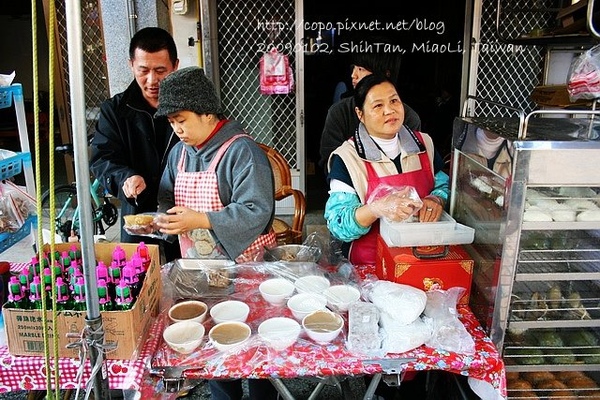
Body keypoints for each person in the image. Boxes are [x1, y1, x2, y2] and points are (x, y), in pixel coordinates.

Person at [153, 66, 278, 400]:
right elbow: (166, 198)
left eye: (182, 120)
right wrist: (163, 220)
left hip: (246, 268)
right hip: (200, 268)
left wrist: (199, 219)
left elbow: (257, 209)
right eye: (172, 122)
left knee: (254, 341)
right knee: (213, 340)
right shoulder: (179, 154)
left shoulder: (242, 151)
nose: (177, 129)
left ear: (207, 112)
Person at [324, 73, 450, 267]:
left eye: (394, 101)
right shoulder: (347, 158)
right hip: (371, 267)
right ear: (360, 114)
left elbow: (444, 185)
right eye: (378, 105)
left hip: (424, 258)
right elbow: (338, 224)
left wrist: (436, 199)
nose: (389, 110)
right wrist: (376, 208)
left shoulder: (425, 144)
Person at [90, 26, 181, 261]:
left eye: (160, 71)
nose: (152, 80)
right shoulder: (115, 111)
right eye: (143, 70)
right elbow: (103, 158)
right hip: (138, 218)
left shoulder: (191, 107)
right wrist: (125, 178)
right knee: (140, 276)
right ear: (131, 65)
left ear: (175, 66)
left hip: (184, 217)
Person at [318, 50, 422, 170]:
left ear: (385, 74)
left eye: (361, 69)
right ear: (360, 114)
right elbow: (330, 162)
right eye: (353, 68)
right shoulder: (339, 112)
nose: (353, 75)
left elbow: (413, 163)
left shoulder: (409, 118)